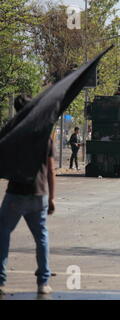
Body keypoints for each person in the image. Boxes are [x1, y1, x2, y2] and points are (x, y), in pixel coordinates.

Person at [0, 95, 56, 295]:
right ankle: (43, 282)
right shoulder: (44, 135)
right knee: (41, 238)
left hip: (16, 193)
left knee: (3, 232)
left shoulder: (13, 135)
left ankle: (1, 279)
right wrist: (51, 198)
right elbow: (50, 170)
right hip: (39, 193)